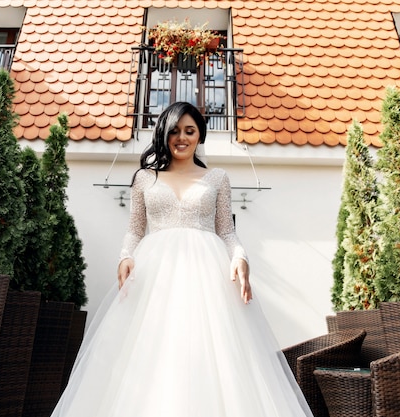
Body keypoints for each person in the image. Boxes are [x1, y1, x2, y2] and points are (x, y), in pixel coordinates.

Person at [51, 102, 313, 417]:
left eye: (190, 131)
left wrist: (240, 258)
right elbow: (134, 230)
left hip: (207, 276)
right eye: (175, 130)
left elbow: (227, 232)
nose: (182, 138)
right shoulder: (145, 178)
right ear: (164, 133)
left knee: (208, 353)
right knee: (152, 353)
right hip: (154, 277)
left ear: (200, 134)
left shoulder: (217, 178)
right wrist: (125, 257)